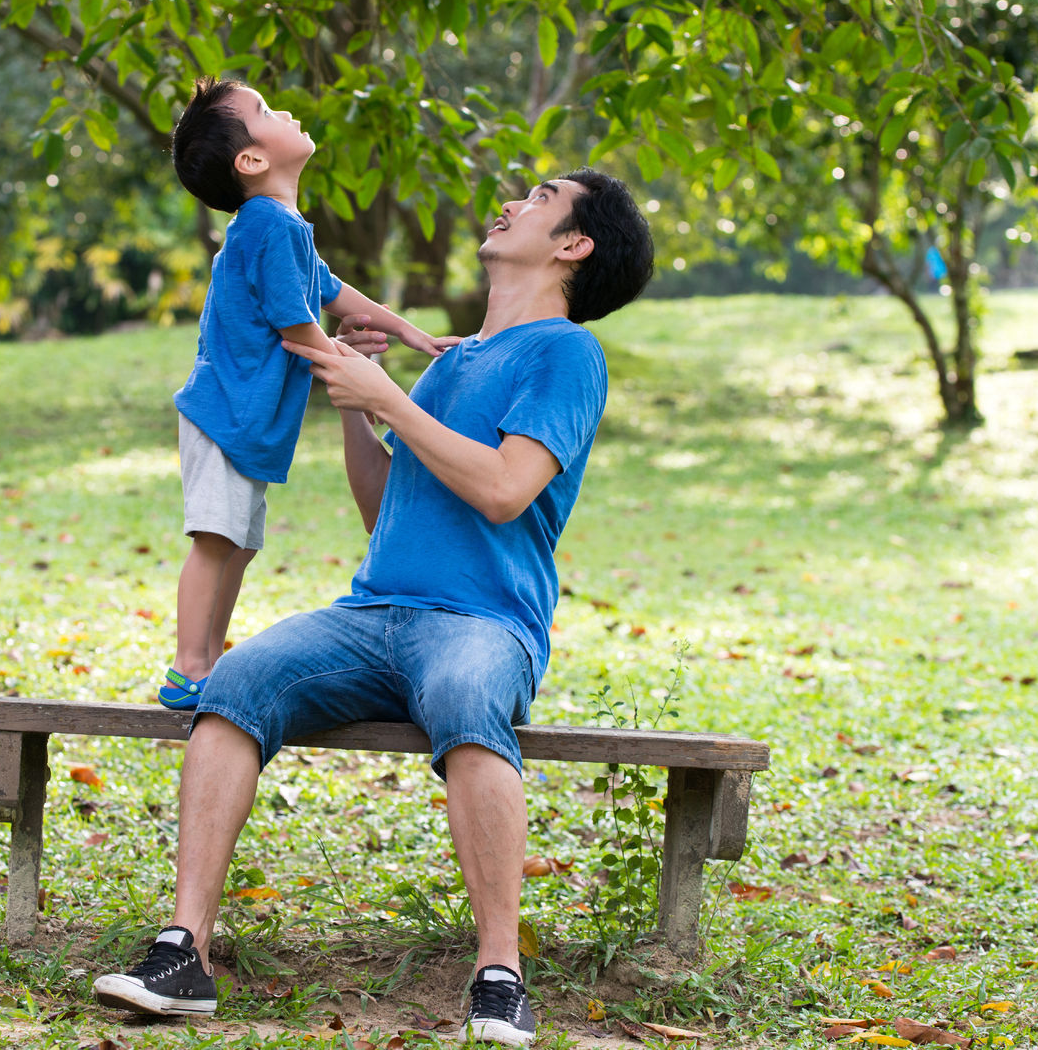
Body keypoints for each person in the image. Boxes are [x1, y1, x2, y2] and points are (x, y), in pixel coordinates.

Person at [93, 168, 655, 1045]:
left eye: (539, 199)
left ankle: (498, 975)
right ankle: (182, 951)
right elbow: (382, 504)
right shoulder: (455, 358)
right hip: (373, 612)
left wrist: (389, 397)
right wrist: (357, 406)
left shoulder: (564, 354)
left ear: (573, 246)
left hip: (482, 622)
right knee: (231, 685)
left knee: (470, 703)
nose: (509, 204)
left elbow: (506, 490)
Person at [161, 77, 454, 711]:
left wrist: (410, 333)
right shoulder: (264, 222)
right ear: (252, 160)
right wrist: (361, 376)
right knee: (216, 539)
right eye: (266, 110)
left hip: (250, 422)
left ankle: (211, 658)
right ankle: (190, 666)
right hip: (224, 415)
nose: (286, 109)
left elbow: (334, 292)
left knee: (237, 543)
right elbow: (296, 322)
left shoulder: (285, 226)